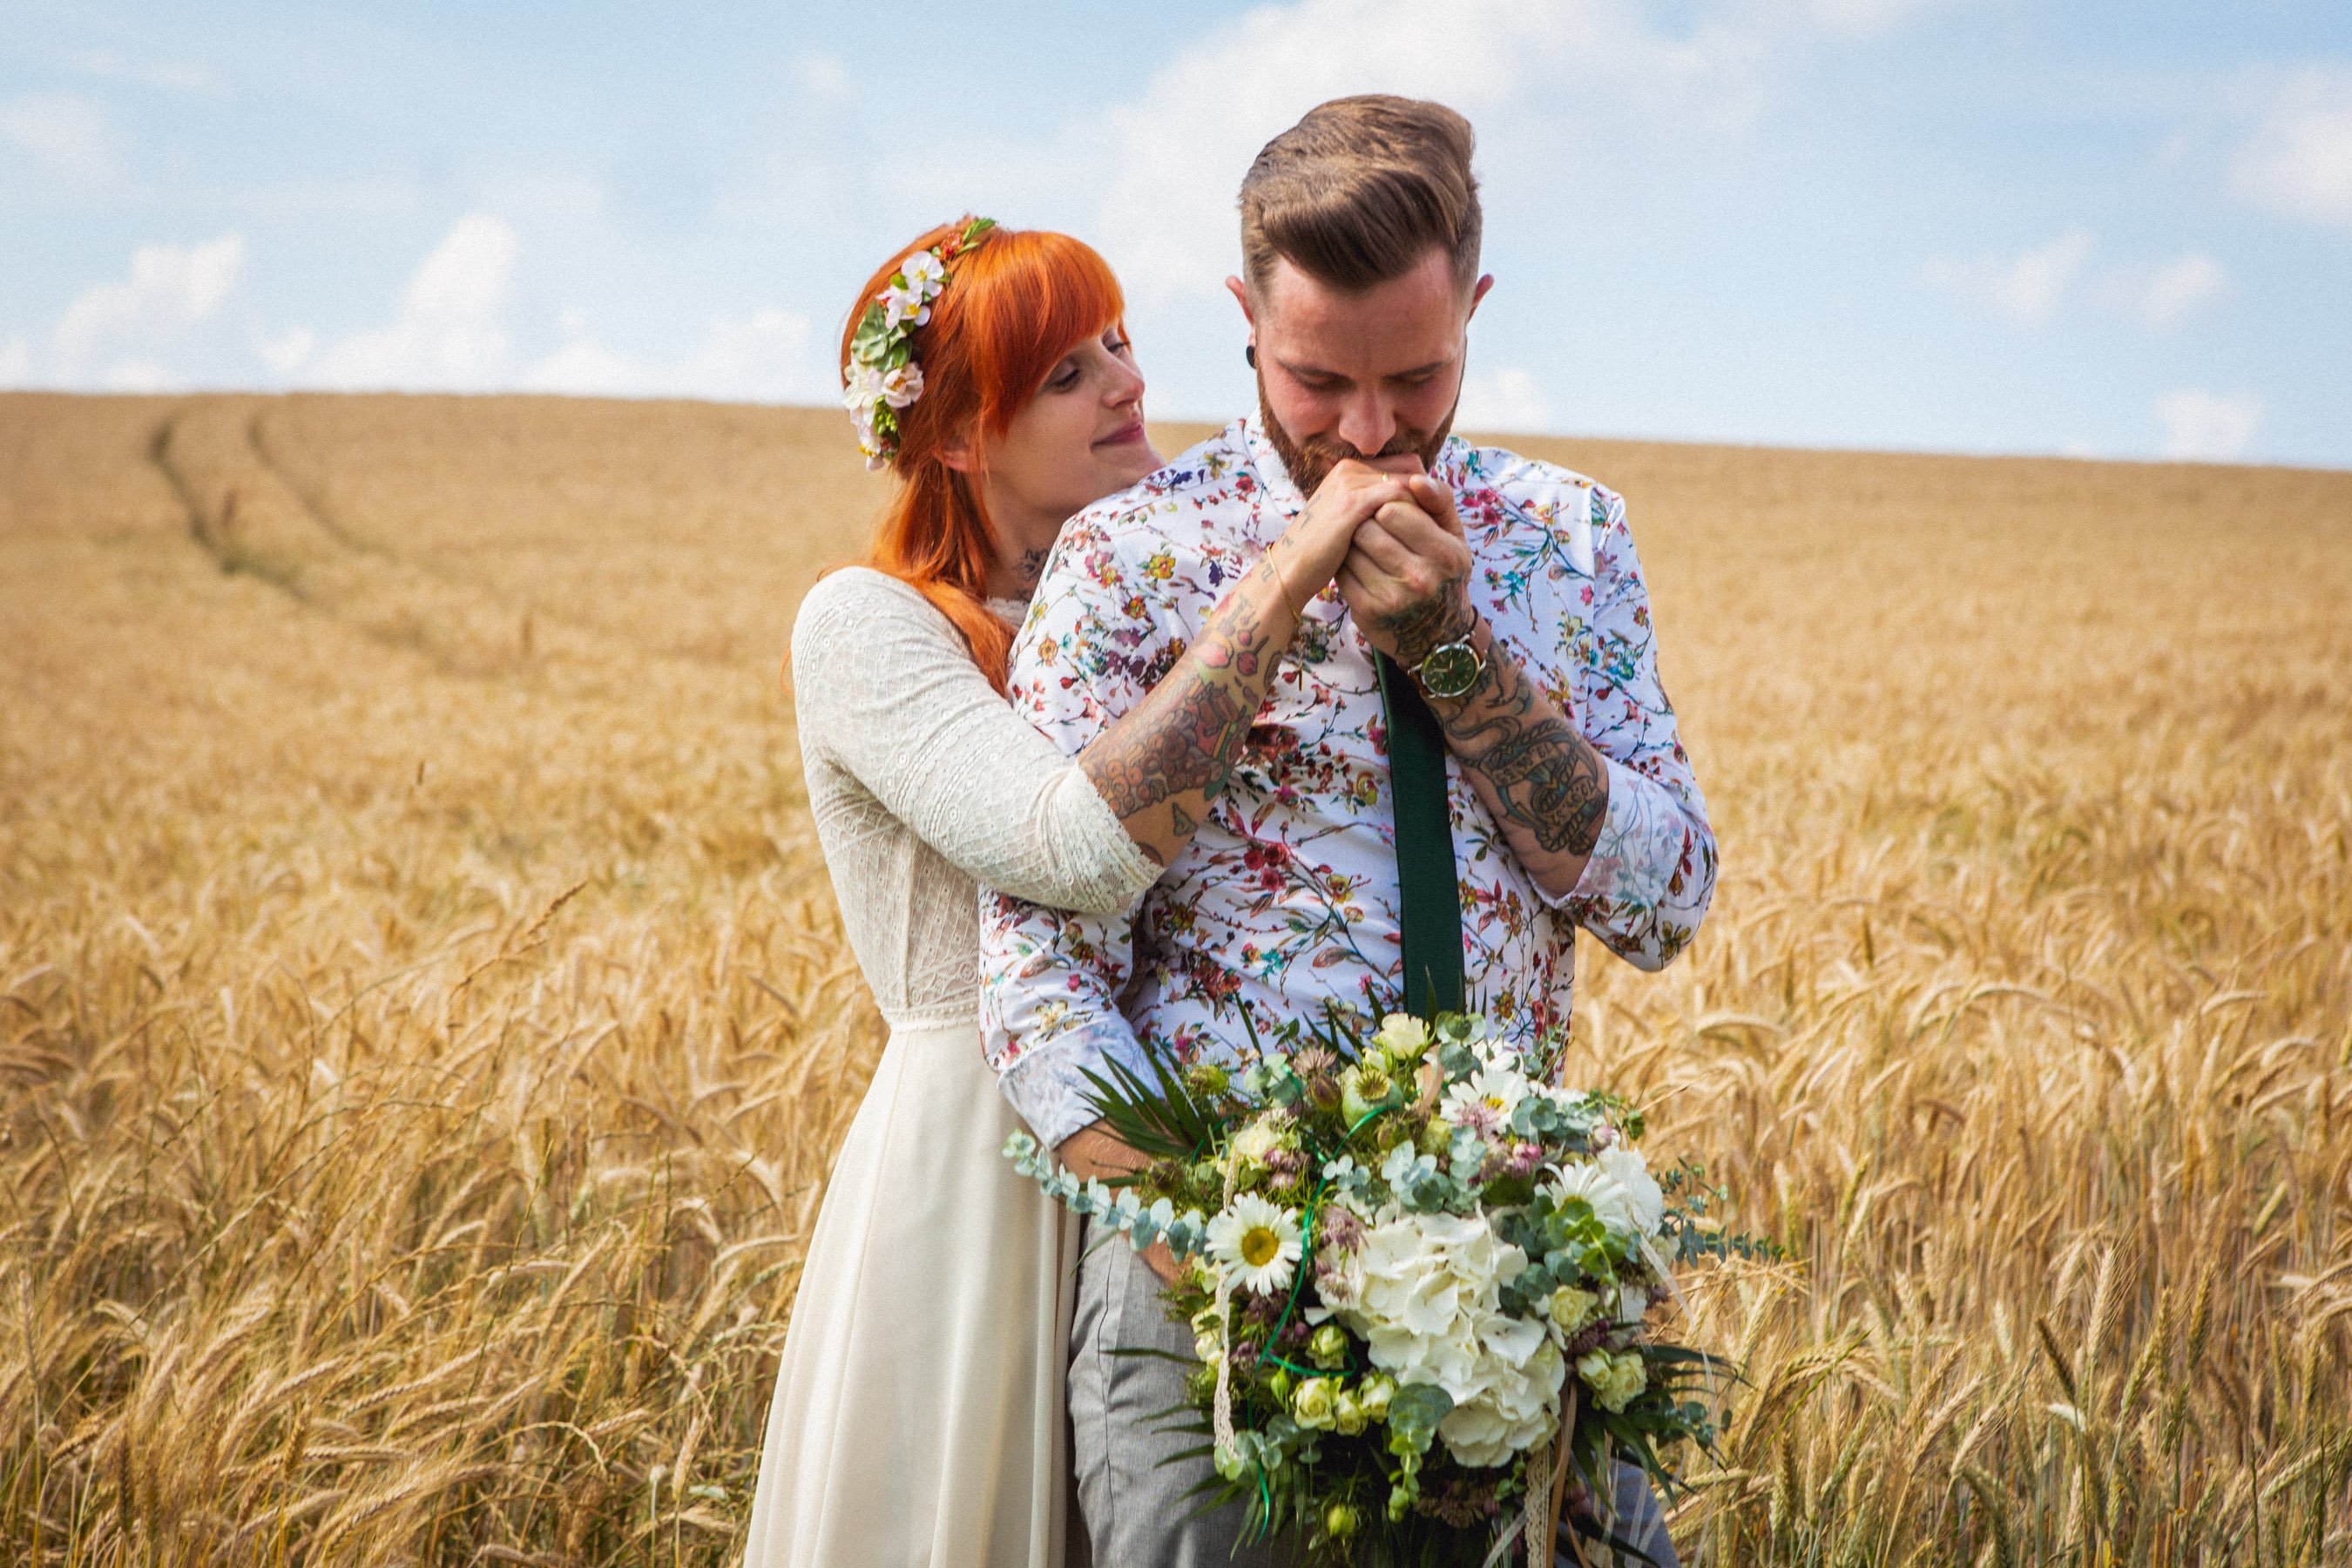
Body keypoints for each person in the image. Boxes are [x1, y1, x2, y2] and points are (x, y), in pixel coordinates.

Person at [979, 98, 1718, 1567]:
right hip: (1212, 1302)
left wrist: (1458, 653)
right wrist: (1223, 1238)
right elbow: (1039, 971)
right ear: (1245, 318)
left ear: (1475, 310)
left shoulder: (1570, 538)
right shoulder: (1131, 555)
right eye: (1317, 381)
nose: (1371, 432)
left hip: (1524, 1271)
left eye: (1418, 376)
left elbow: (1667, 899)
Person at [744, 220, 1423, 1568]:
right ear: (954, 433)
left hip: (1173, 1137)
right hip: (979, 1167)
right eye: (1066, 374)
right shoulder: (871, 627)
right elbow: (1071, 850)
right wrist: (1286, 578)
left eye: (1118, 342)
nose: (1127, 381)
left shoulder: (1153, 604)